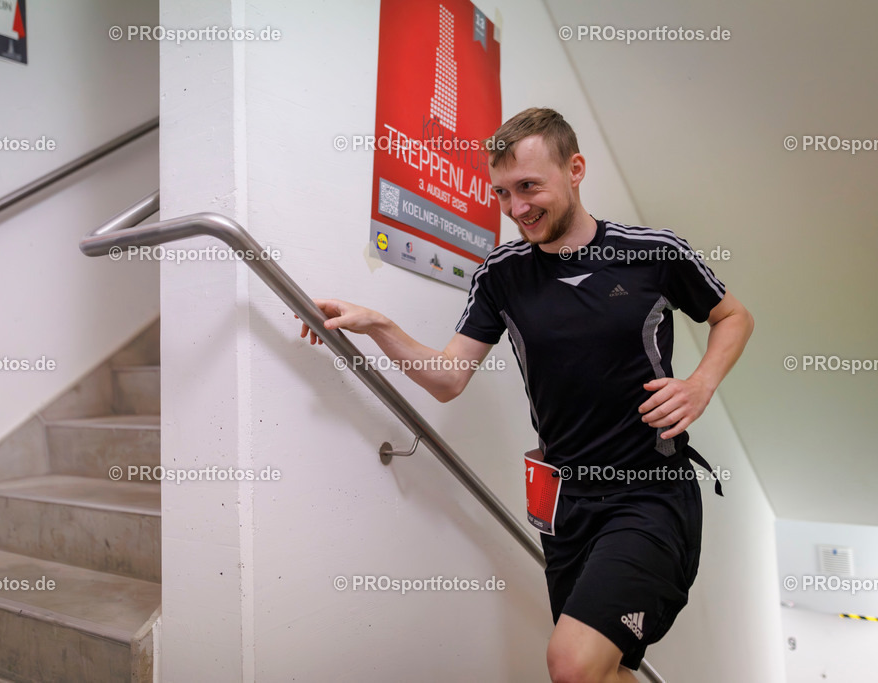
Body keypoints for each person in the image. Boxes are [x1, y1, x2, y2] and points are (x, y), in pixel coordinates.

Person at [298, 107, 753, 683]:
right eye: (503, 193)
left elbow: (733, 315)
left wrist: (699, 384)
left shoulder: (653, 251)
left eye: (529, 187)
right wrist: (378, 325)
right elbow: (447, 378)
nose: (516, 209)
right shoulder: (501, 274)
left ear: (575, 169)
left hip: (649, 492)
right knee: (600, 670)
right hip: (566, 505)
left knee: (568, 663)